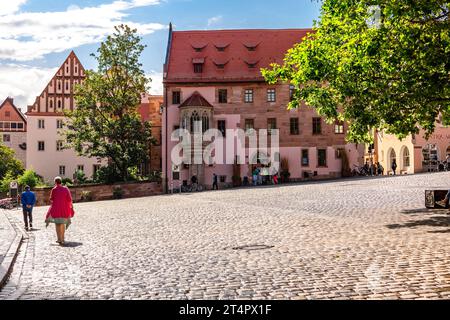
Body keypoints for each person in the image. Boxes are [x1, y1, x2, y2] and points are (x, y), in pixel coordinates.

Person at [45, 177, 74, 246]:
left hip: (56, 209)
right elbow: (69, 199)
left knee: (57, 224)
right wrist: (71, 206)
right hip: (65, 208)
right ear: (61, 182)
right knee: (63, 223)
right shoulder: (66, 189)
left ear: (55, 182)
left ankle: (59, 239)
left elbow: (51, 199)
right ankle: (63, 238)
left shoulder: (54, 189)